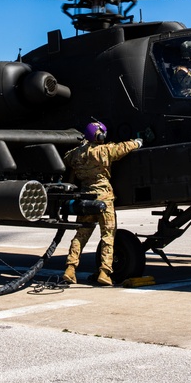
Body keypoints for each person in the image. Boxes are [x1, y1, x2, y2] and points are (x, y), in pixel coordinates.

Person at [62, 121, 142, 286]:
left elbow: (67, 158)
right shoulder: (104, 151)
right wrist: (138, 142)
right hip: (104, 198)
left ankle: (70, 268)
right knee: (108, 235)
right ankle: (105, 272)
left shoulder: (76, 154)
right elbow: (123, 148)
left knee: (81, 235)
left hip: (86, 198)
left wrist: (83, 146)